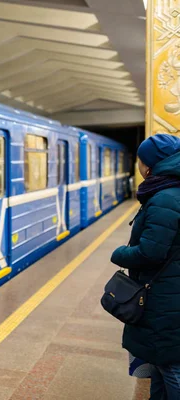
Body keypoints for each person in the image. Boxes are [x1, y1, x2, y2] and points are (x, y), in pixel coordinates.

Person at [110, 134, 180, 399]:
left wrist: (120, 253)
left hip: (166, 296)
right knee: (163, 368)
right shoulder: (171, 191)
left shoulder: (164, 198)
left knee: (170, 367)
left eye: (140, 160)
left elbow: (151, 252)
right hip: (170, 290)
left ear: (150, 164)